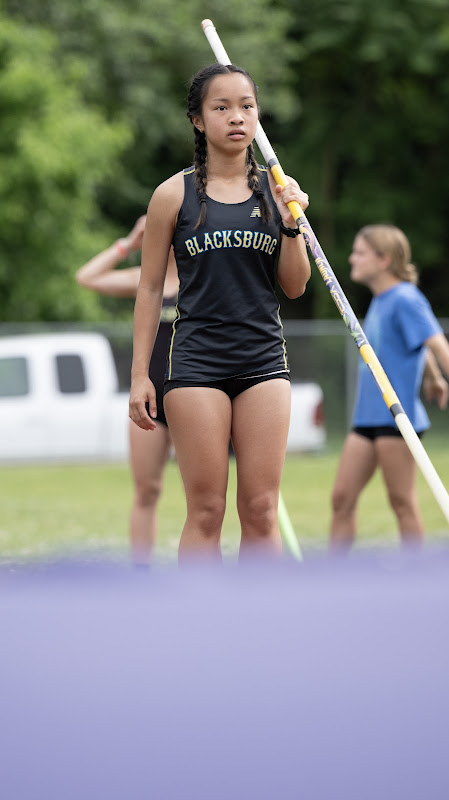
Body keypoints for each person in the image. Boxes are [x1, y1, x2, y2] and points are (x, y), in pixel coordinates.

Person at [128, 63, 311, 561]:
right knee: (207, 511)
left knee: (261, 509)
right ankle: (199, 630)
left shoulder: (277, 194)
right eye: (222, 107)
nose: (237, 117)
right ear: (197, 120)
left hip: (263, 362)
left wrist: (293, 224)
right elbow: (148, 289)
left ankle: (262, 630)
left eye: (247, 106)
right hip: (196, 366)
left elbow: (294, 287)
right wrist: (140, 375)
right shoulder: (173, 194)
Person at [329, 224, 449, 550]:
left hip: (396, 421)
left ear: (384, 260)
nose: (351, 258)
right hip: (367, 418)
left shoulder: (405, 299)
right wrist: (432, 376)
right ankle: (335, 580)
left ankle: (418, 579)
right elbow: (414, 345)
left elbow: (439, 346)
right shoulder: (382, 299)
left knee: (401, 502)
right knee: (341, 498)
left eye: (360, 252)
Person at [76, 215, 179, 565]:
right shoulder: (145, 280)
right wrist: (128, 243)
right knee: (147, 490)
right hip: (149, 400)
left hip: (194, 396)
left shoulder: (201, 280)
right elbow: (87, 277)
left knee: (206, 495)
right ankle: (141, 574)